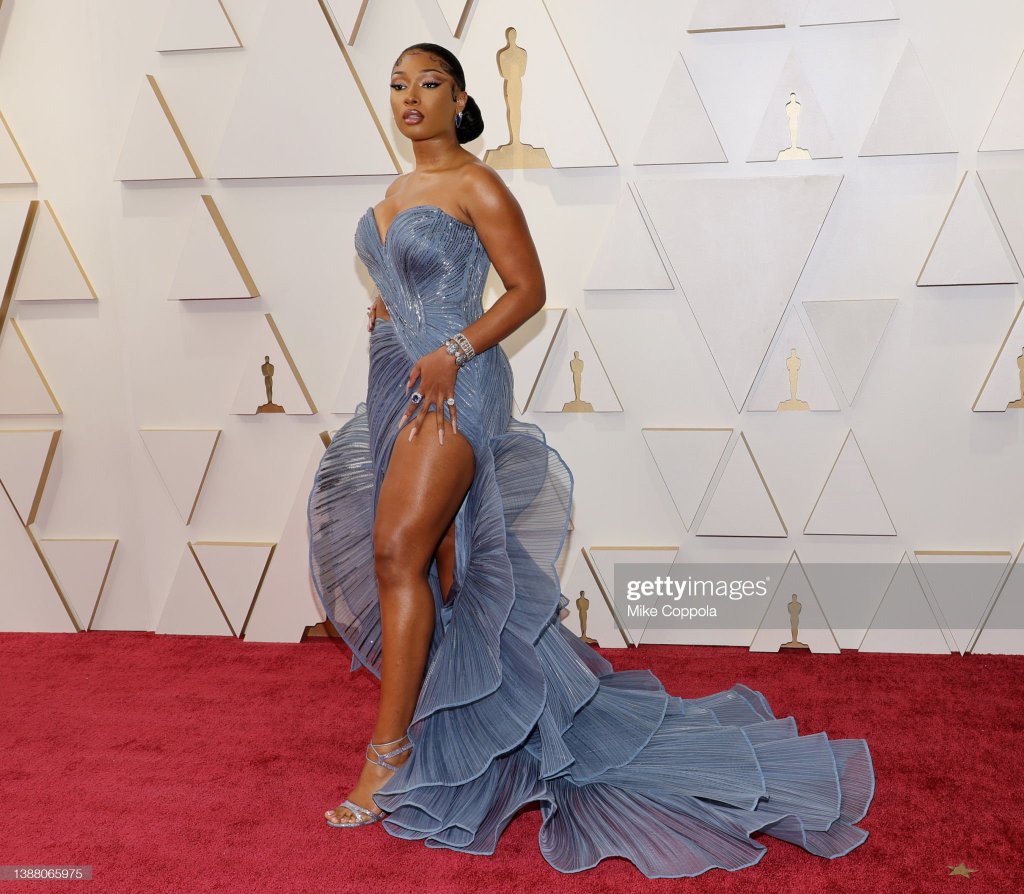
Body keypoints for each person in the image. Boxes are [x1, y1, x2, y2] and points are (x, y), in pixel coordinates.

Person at [306, 42, 876, 878]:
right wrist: (390, 316)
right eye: (398, 85)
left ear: (460, 100)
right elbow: (410, 285)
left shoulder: (477, 184)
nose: (410, 97)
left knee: (396, 552)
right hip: (396, 380)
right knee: (444, 570)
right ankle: (481, 728)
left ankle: (387, 756)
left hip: (456, 383)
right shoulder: (393, 195)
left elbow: (528, 291)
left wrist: (453, 348)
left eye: (429, 83)